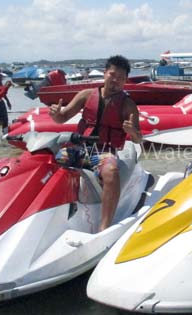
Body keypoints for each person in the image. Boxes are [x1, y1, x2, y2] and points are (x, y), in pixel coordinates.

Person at [49, 55, 142, 232]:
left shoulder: (128, 105)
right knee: (51, 161)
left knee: (111, 172)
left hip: (103, 153)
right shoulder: (85, 95)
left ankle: (104, 226)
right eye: (112, 75)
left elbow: (139, 138)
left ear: (125, 81)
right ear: (105, 73)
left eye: (121, 78)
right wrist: (55, 114)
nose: (115, 80)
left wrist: (132, 132)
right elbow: (62, 117)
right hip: (79, 149)